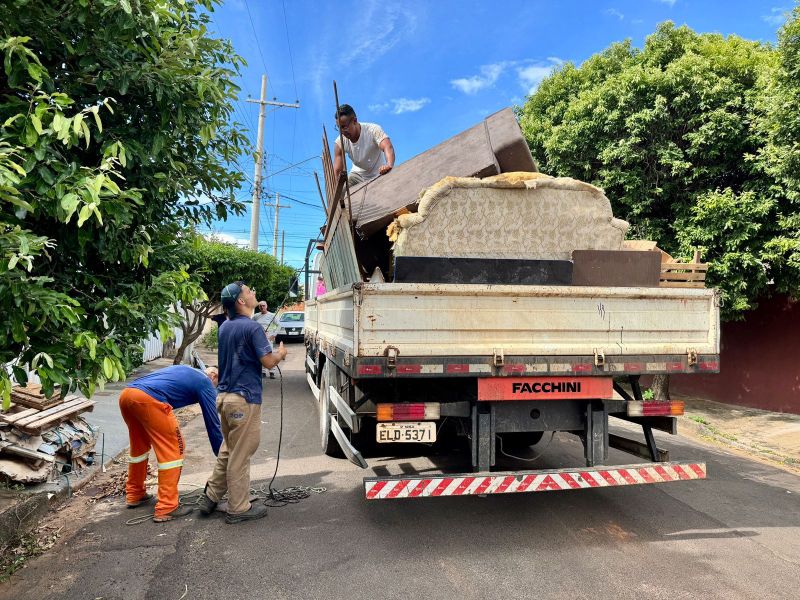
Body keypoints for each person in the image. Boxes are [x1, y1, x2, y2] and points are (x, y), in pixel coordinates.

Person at [198, 281, 288, 524]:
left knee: (230, 449)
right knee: (241, 453)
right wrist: (281, 353)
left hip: (224, 398)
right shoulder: (252, 328)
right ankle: (238, 507)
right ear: (240, 300)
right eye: (249, 291)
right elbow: (268, 362)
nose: (254, 293)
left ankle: (211, 496)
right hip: (243, 399)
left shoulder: (225, 326)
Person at [119, 365, 222, 522]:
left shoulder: (186, 370)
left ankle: (134, 493)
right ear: (213, 376)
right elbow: (213, 423)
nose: (214, 389)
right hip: (149, 399)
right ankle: (167, 507)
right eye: (217, 385)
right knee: (173, 450)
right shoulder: (205, 382)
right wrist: (221, 455)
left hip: (127, 395)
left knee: (139, 448)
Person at [332, 104, 395, 187]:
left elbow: (387, 146)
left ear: (354, 121)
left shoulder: (373, 129)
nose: (342, 131)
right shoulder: (339, 142)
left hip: (379, 172)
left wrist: (389, 164)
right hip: (357, 175)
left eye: (344, 127)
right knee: (343, 192)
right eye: (339, 128)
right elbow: (337, 171)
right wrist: (337, 190)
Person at [252, 300, 277, 379]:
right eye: (260, 306)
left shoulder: (272, 315)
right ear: (259, 307)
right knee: (261, 354)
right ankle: (263, 372)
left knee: (270, 353)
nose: (262, 307)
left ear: (266, 306)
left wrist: (274, 334)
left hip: (268, 336)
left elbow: (279, 325)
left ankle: (272, 371)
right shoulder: (256, 316)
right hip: (259, 337)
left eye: (263, 305)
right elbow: (250, 325)